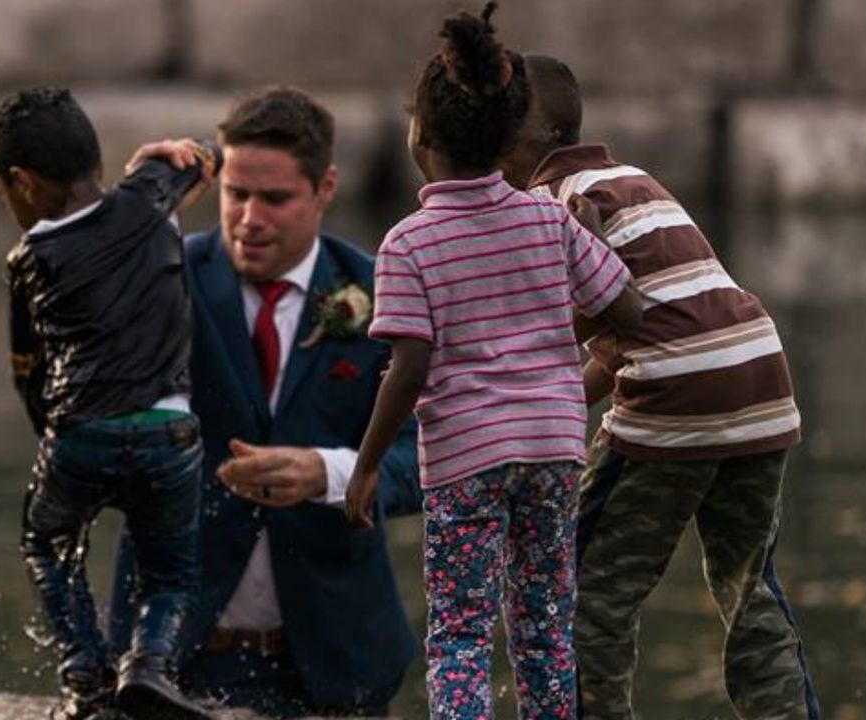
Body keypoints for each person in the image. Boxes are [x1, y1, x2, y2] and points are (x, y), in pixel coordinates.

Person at [497, 55, 822, 720]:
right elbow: (623, 343)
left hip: (678, 388)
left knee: (585, 590)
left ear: (516, 140)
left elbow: (579, 335)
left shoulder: (546, 207)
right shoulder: (633, 180)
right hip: (760, 376)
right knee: (749, 587)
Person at [344, 6, 642, 719]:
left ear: (420, 131)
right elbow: (628, 311)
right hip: (553, 448)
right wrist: (590, 245)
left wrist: (364, 467)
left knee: (461, 632)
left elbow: (409, 370)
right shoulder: (550, 219)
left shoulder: (408, 244)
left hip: (465, 459)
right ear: (512, 134)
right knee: (544, 627)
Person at [107, 87, 423, 718]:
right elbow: (94, 377)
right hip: (172, 660)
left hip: (338, 659)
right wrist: (134, 217)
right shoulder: (166, 277)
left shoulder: (381, 293)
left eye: (274, 199)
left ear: (326, 187)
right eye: (236, 194)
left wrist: (332, 473)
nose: (250, 218)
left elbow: (433, 456)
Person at [0, 87, 215, 720]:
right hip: (171, 431)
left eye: (0, 192)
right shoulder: (150, 196)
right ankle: (147, 666)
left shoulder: (28, 258)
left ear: (22, 182)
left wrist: (51, 437)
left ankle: (86, 677)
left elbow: (26, 370)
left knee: (47, 542)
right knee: (170, 574)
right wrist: (157, 158)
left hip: (79, 430)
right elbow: (207, 154)